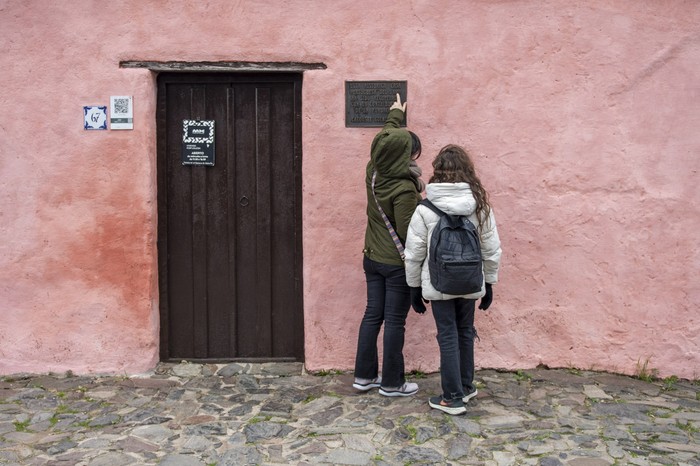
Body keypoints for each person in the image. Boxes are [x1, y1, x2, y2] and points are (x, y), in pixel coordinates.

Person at [404, 144, 502, 414]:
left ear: (437, 172)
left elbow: (414, 253)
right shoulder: (479, 205)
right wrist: (489, 282)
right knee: (465, 332)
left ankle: (452, 397)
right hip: (471, 280)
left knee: (447, 334)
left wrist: (414, 287)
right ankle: (466, 386)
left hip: (439, 283)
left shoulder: (426, 209)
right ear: (467, 171)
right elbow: (491, 248)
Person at [353, 94, 425, 397]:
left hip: (372, 257)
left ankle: (364, 377)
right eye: (411, 152)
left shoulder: (373, 172)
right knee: (395, 321)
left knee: (373, 315)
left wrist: (395, 115)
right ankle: (393, 383)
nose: (413, 157)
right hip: (395, 264)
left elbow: (384, 141)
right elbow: (409, 232)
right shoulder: (404, 187)